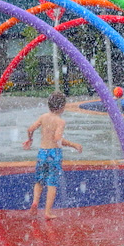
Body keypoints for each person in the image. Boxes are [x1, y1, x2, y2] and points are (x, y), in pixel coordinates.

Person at [22, 91, 83, 219]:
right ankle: (48, 212)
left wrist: (30, 139)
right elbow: (57, 139)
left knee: (39, 180)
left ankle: (35, 203)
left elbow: (30, 129)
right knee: (52, 183)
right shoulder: (60, 121)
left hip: (42, 152)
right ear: (62, 107)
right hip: (54, 154)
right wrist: (74, 145)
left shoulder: (43, 117)